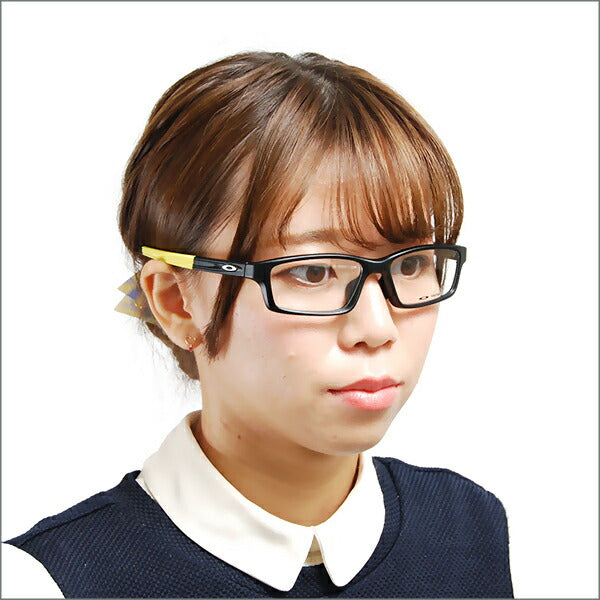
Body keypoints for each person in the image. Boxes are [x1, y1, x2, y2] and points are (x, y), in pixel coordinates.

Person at [3, 50, 513, 598]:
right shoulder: (52, 581)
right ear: (177, 302)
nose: (376, 326)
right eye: (312, 271)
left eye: (410, 265)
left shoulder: (470, 527)